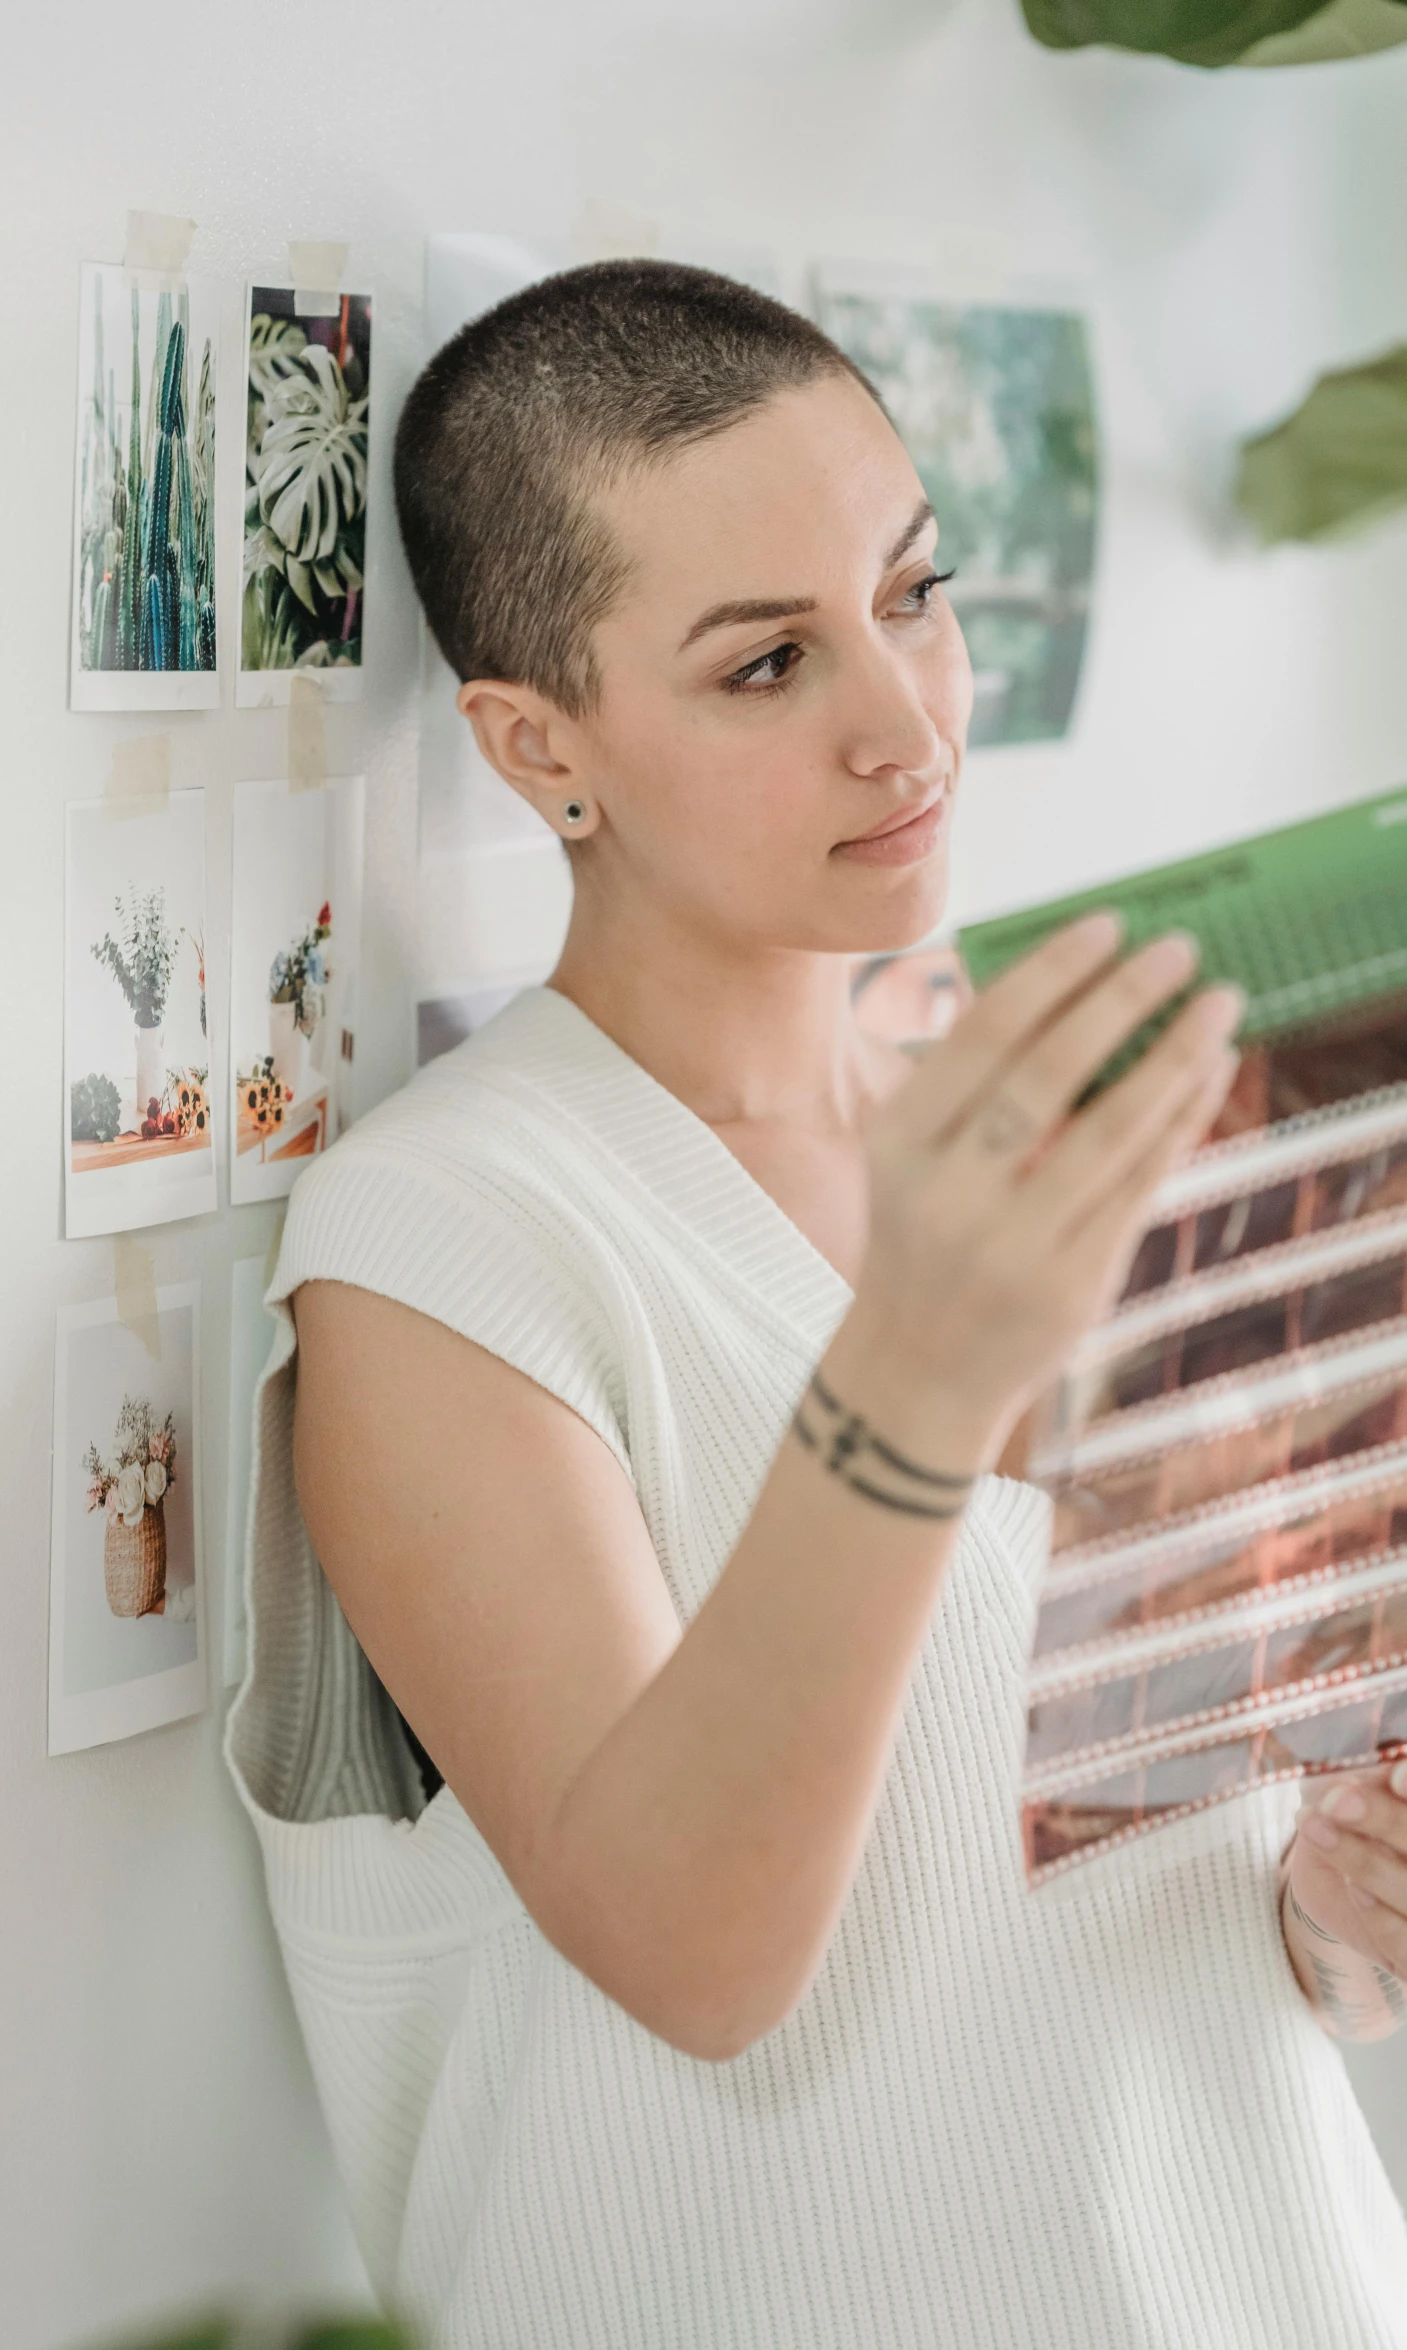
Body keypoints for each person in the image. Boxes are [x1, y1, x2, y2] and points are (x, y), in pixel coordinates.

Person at [226, 262, 1407, 2349]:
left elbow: (1146, 1859)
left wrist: (1331, 1897)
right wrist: (924, 1361)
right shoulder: (443, 1241)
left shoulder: (1106, 1105)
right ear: (538, 744)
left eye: (913, 588)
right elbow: (691, 1945)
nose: (906, 712)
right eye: (767, 663)